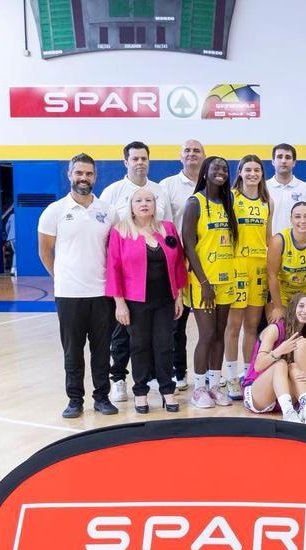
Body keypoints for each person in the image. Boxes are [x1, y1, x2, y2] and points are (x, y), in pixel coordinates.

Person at [38, 153, 120, 418]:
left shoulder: (108, 211)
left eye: (88, 174)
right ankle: (75, 400)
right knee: (73, 352)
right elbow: (45, 251)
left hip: (101, 293)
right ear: (70, 175)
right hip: (69, 294)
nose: (83, 178)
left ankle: (102, 397)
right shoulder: (55, 211)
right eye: (79, 173)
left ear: (95, 177)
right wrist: (60, 277)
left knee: (101, 351)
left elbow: (115, 251)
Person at [105, 188, 186, 414]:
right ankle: (140, 391)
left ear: (155, 205)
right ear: (130, 206)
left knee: (165, 346)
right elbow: (114, 268)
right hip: (134, 301)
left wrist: (178, 296)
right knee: (139, 346)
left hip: (165, 300)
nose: (144, 204)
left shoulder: (167, 228)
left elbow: (178, 263)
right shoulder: (120, 232)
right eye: (138, 200)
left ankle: (166, 389)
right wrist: (119, 303)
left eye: (148, 200)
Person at [100, 141, 169, 403]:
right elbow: (104, 231)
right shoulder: (112, 192)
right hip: (126, 278)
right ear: (125, 162)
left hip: (154, 277)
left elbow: (166, 229)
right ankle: (118, 378)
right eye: (135, 158)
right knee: (123, 334)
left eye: (144, 158)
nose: (140, 162)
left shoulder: (158, 190)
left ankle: (149, 377)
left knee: (154, 336)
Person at [182, 155, 237, 409]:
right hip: (204, 281)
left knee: (220, 335)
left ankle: (215, 385)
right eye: (216, 168)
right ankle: (199, 388)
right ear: (205, 172)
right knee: (206, 334)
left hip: (226, 279)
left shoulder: (228, 202)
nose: (221, 172)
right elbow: (189, 246)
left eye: (225, 169)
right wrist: (203, 281)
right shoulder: (195, 203)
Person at [222, 154, 272, 400]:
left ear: (262, 174)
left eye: (257, 170)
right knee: (233, 326)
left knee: (252, 326)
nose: (253, 174)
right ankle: (230, 376)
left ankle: (247, 373)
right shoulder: (232, 198)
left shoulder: (266, 201)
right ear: (240, 172)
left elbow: (269, 238)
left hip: (259, 268)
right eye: (248, 170)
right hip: (237, 267)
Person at [159, 139, 205, 391]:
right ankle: (178, 372)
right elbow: (163, 226)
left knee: (210, 324)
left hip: (207, 262)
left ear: (204, 156)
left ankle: (210, 372)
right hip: (176, 262)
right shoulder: (167, 186)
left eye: (196, 151)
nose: (191, 154)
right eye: (187, 150)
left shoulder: (213, 186)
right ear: (180, 156)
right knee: (176, 322)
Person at [241, 292, 306, 424]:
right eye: (301, 306)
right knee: (281, 363)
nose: (305, 311)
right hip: (259, 391)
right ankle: (289, 412)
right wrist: (280, 351)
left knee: (297, 357)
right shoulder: (275, 329)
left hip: (285, 393)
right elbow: (258, 366)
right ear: (292, 308)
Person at [268, 201, 306, 313]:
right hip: (283, 291)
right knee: (279, 325)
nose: (302, 221)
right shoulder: (278, 241)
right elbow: (272, 276)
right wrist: (277, 307)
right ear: (291, 219)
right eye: (297, 217)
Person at [267, 143, 306, 233]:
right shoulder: (263, 189)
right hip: (269, 245)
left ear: (294, 162)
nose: (283, 161)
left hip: (298, 246)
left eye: (288, 157)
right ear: (273, 161)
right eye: (279, 157)